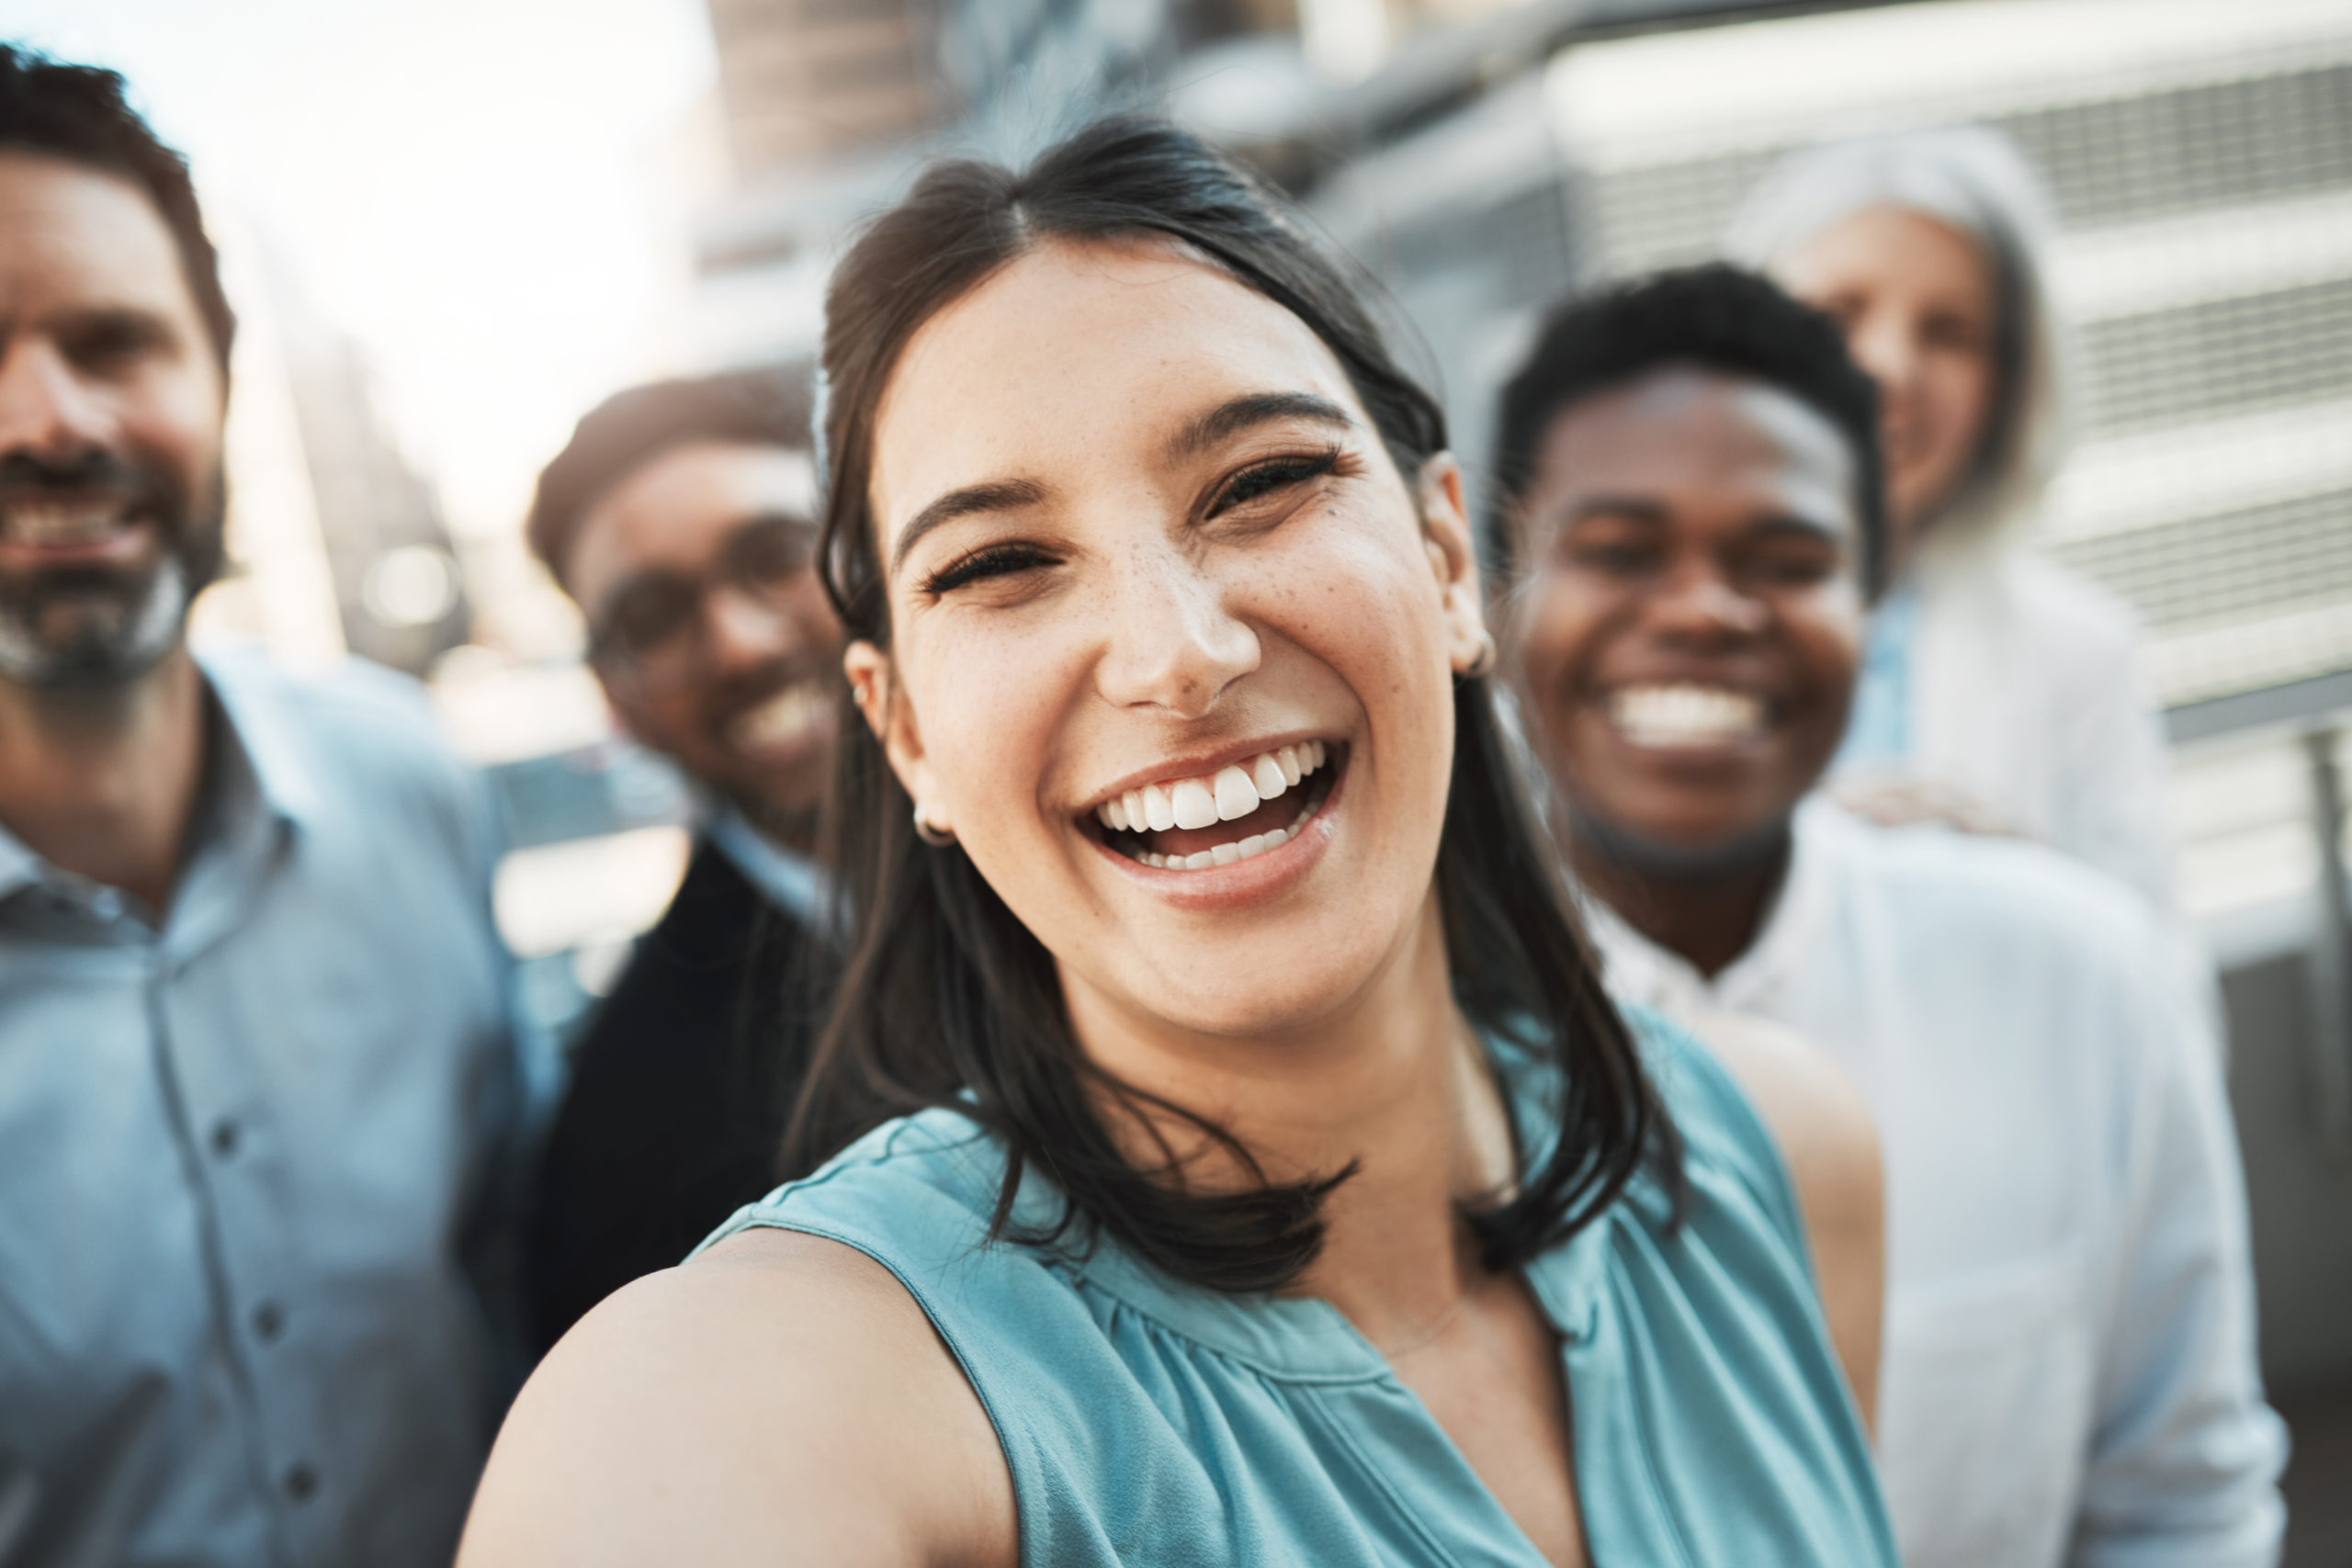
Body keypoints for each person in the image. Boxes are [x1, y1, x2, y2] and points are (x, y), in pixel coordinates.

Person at [458, 118, 1896, 1566]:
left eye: (1260, 481)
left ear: (1449, 560)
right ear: (904, 736)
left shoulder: (1774, 1154)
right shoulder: (755, 1401)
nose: (1174, 653)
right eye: (999, 564)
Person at [1489, 262, 2286, 1567]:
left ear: (1871, 602)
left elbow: (2181, 1505)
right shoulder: (1384, 1036)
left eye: (1785, 557)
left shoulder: (2077, 979)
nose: (1700, 608)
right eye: (1621, 549)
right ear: (1493, 586)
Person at [0, 49, 519, 1568]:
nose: (45, 420)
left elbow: (521, 1262)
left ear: (219, 382)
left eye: (113, 341)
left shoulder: (409, 783)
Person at [1723, 127, 2176, 910]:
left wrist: (2024, 885)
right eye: (1839, 313)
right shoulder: (1613, 629)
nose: (1892, 367)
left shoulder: (2080, 657)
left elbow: (2167, 1005)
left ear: (2009, 386)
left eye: (1950, 332)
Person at [520, 369, 842, 1352]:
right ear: (614, 699)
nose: (739, 646)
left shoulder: (1126, 846)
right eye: (653, 618)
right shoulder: (629, 1135)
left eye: (775, 555)